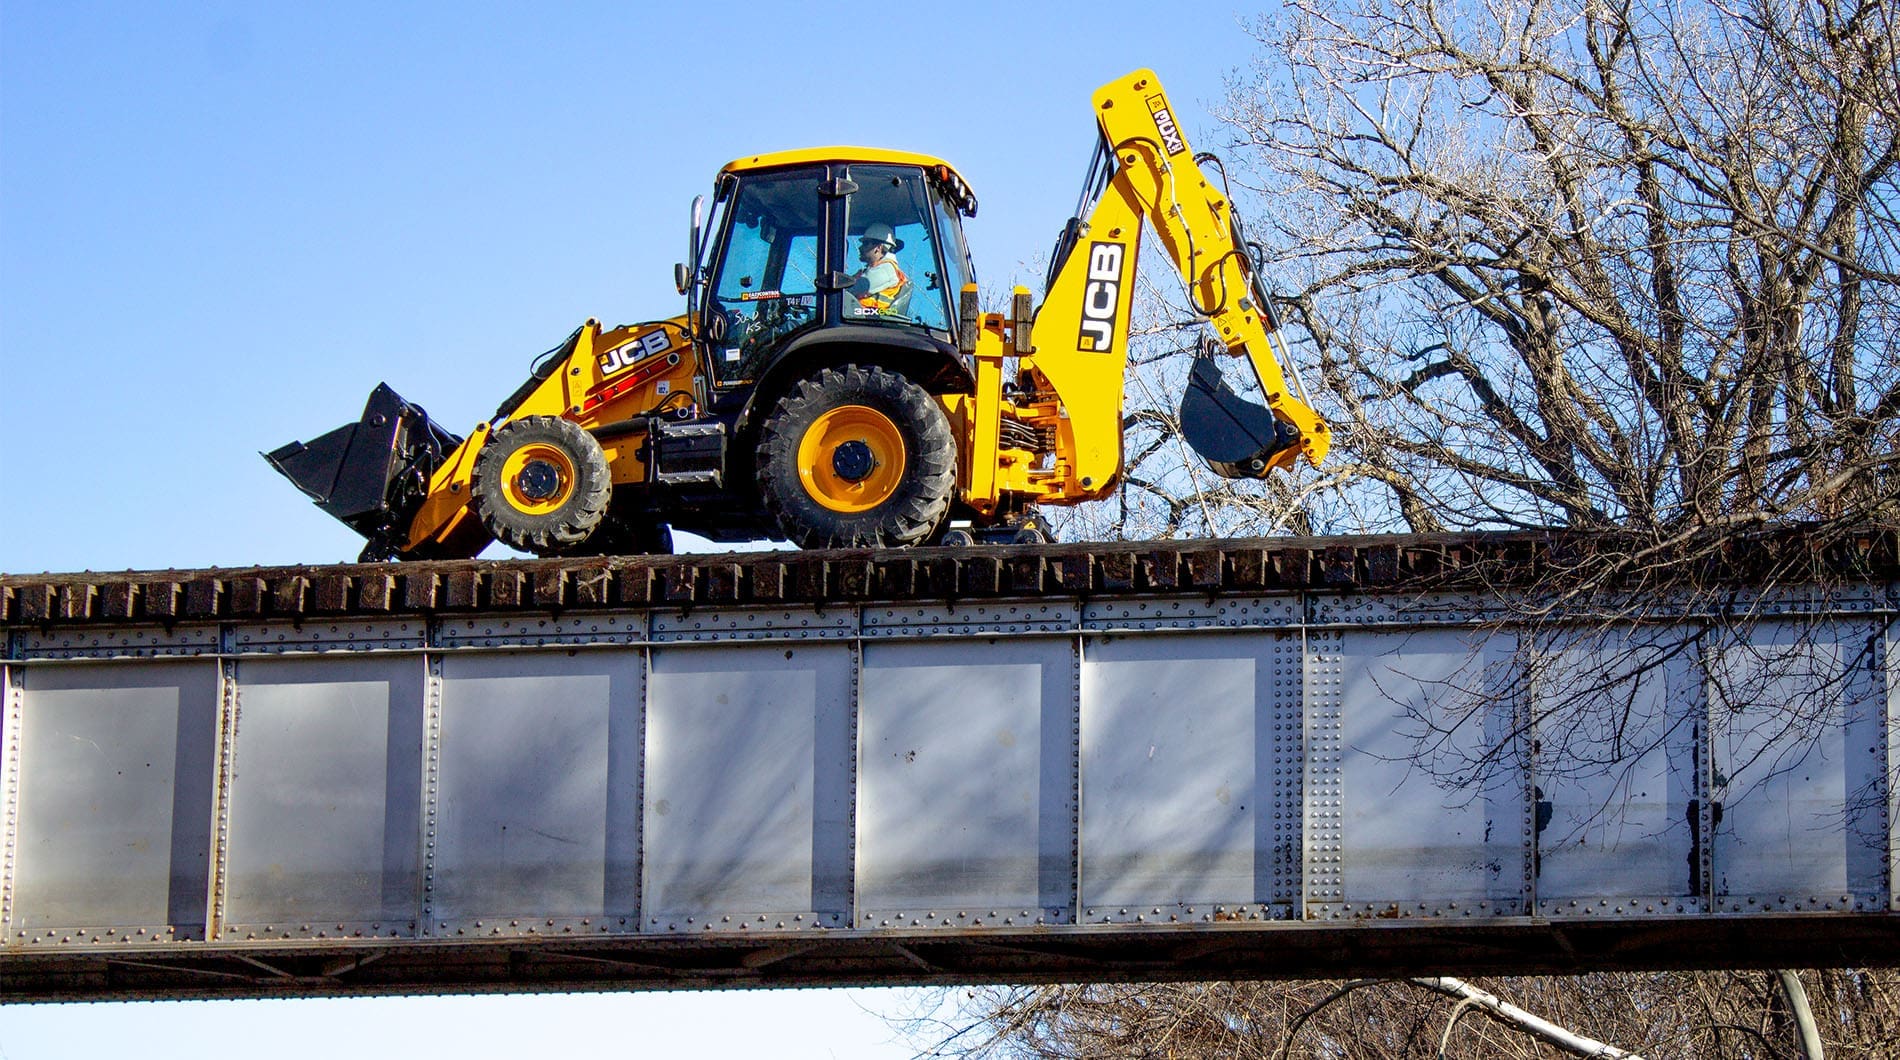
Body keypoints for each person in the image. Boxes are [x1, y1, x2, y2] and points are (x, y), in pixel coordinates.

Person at [850, 223, 909, 316]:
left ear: (878, 248)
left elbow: (856, 288)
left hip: (868, 321)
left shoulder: (886, 269)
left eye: (865, 244)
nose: (860, 248)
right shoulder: (872, 269)